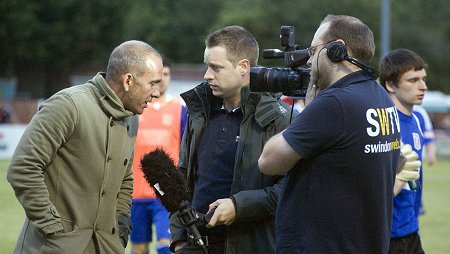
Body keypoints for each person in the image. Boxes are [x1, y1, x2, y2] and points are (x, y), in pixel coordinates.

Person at [258, 15, 401, 253]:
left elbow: (268, 161)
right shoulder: (380, 97)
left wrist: (309, 110)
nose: (308, 60)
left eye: (314, 51)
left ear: (338, 50)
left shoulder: (335, 103)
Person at [7, 40, 163, 254]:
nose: (157, 93)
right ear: (128, 81)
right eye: (152, 83)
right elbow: (23, 168)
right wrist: (53, 229)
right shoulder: (68, 105)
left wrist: (120, 226)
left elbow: (125, 179)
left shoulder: (131, 118)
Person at [169, 25, 291, 254]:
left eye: (215, 67)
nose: (207, 75)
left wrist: (238, 206)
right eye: (207, 67)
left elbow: (290, 189)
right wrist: (179, 239)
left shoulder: (278, 119)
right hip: (195, 245)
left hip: (252, 245)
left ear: (243, 67)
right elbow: (182, 178)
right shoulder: (199, 112)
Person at [130, 55, 187, 254]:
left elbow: (187, 152)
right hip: (135, 192)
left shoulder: (180, 111)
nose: (162, 79)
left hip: (165, 194)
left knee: (166, 246)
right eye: (157, 75)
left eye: (166, 74)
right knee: (138, 249)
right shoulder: (134, 110)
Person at [379, 48, 427, 254]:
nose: (423, 86)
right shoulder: (384, 126)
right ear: (390, 84)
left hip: (411, 230)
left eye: (423, 79)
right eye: (413, 80)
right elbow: (377, 191)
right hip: (389, 236)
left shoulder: (416, 119)